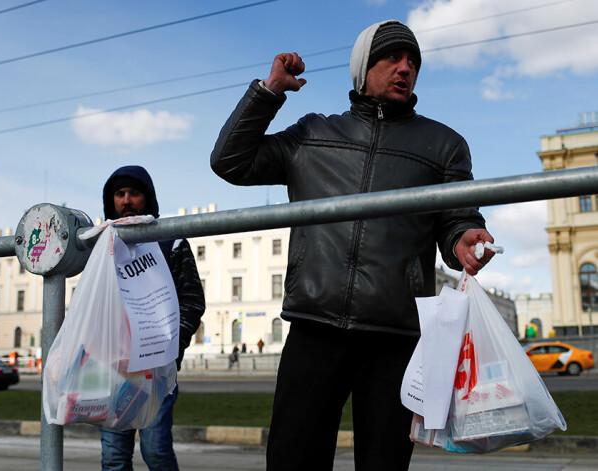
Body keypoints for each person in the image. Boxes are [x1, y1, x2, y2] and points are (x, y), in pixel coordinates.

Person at [210, 20, 495, 471]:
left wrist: (464, 238)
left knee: (383, 464)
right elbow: (230, 161)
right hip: (314, 326)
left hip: (395, 338)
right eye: (392, 58)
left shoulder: (444, 145)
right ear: (363, 67)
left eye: (413, 62)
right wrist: (270, 92)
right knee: (293, 460)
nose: (405, 68)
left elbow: (456, 217)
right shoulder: (311, 134)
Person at [99, 165, 205, 471]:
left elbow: (192, 300)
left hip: (156, 373)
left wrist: (172, 348)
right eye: (119, 194)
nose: (126, 200)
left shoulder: (170, 243)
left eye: (134, 193)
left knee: (156, 452)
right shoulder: (104, 248)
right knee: (113, 458)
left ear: (148, 198)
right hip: (113, 372)